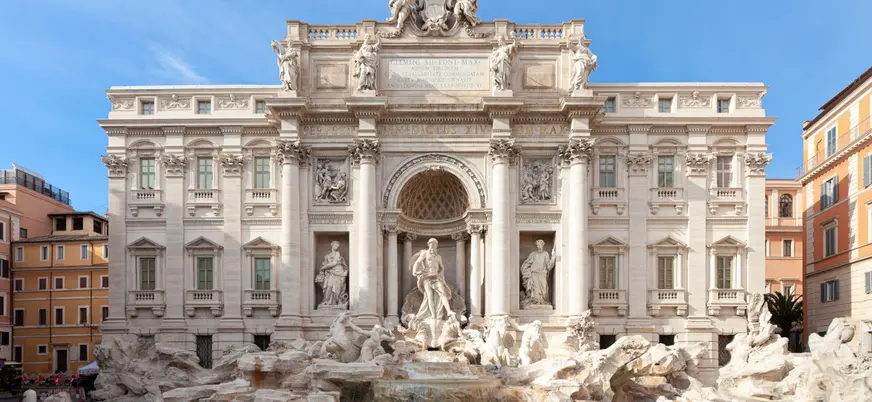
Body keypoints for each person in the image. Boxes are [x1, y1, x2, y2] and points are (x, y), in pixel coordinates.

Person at [411, 238, 455, 320]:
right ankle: (433, 316)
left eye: (434, 244)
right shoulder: (425, 253)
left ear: (436, 245)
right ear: (428, 244)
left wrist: (441, 276)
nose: (432, 245)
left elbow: (442, 267)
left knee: (442, 293)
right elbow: (418, 262)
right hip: (427, 277)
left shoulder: (438, 257)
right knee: (429, 296)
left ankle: (449, 311)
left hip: (436, 277)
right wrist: (414, 271)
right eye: (430, 243)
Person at [520, 240, 556, 306]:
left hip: (542, 274)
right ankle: (535, 302)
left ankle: (543, 301)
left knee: (544, 289)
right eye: (537, 245)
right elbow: (527, 263)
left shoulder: (545, 254)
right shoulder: (533, 254)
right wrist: (525, 270)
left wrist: (553, 257)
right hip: (534, 274)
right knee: (535, 289)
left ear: (542, 245)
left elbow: (548, 265)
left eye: (539, 245)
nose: (538, 246)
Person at [316, 241, 348, 306]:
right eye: (335, 246)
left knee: (337, 289)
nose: (336, 247)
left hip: (338, 272)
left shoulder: (338, 254)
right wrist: (323, 270)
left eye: (337, 246)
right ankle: (326, 301)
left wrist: (323, 268)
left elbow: (334, 263)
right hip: (330, 273)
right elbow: (324, 264)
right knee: (329, 286)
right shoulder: (327, 256)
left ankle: (335, 303)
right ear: (332, 245)